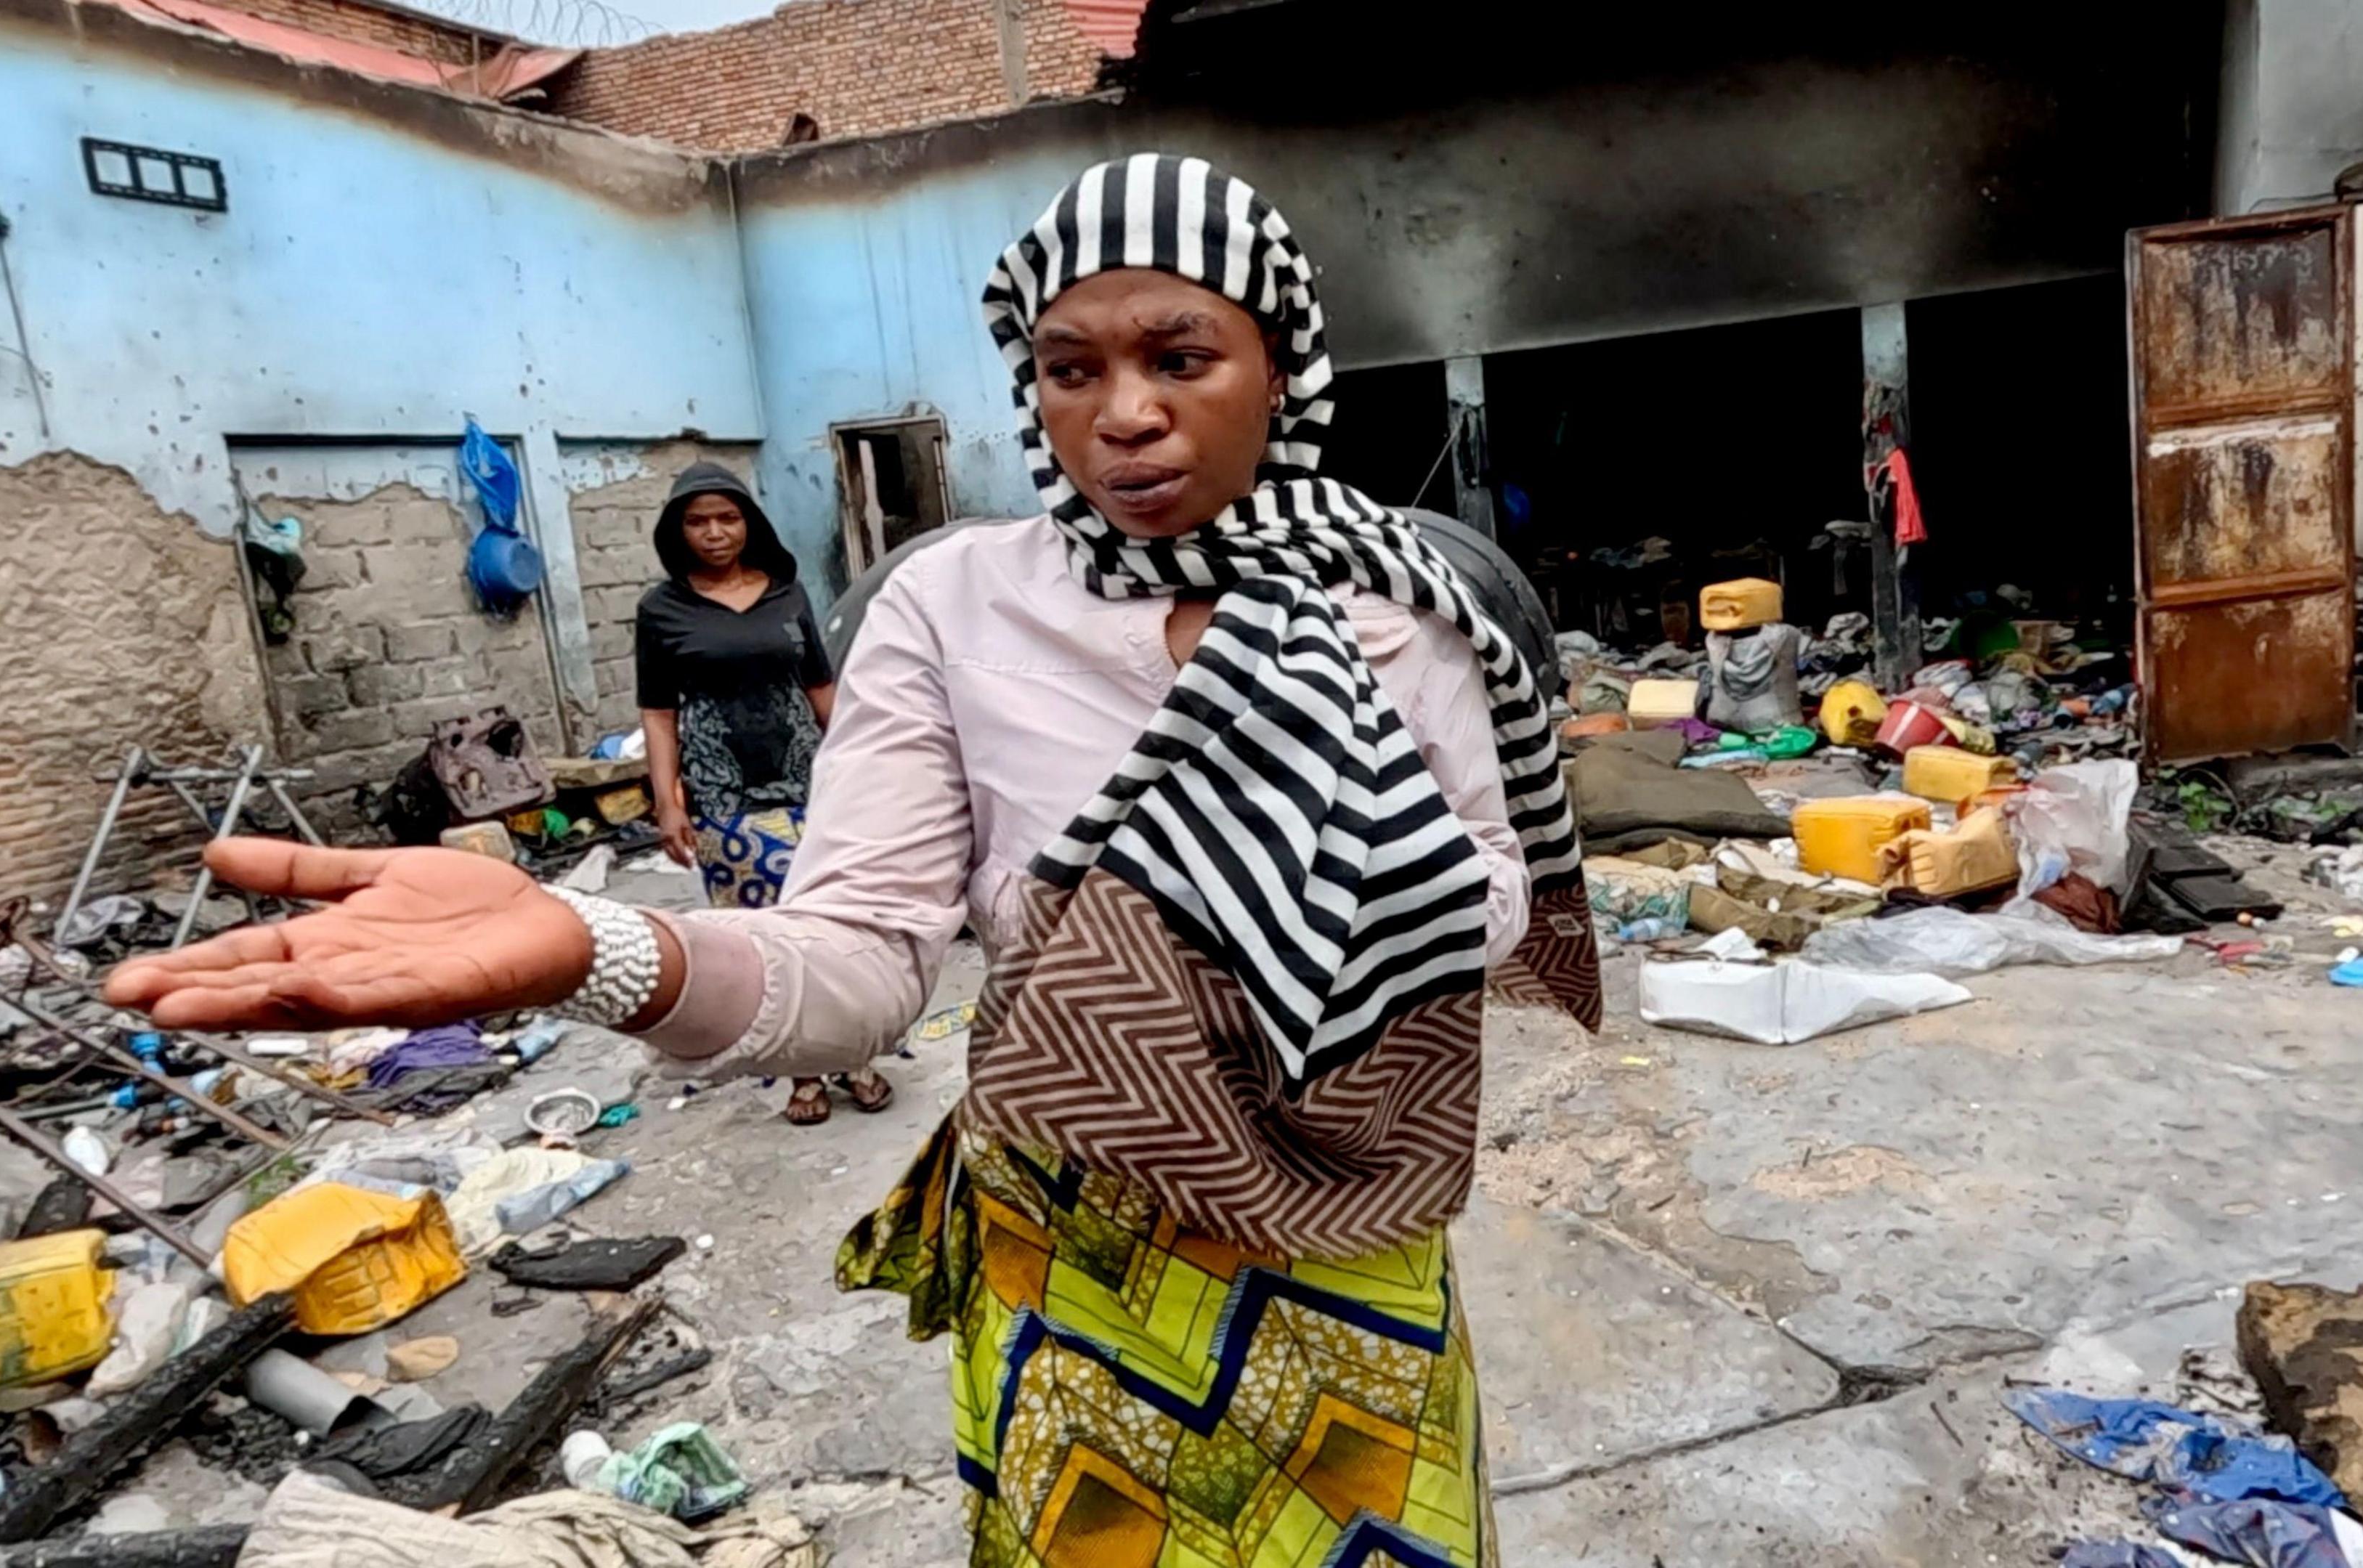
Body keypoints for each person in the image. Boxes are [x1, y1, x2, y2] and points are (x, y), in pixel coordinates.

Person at [108, 155, 1598, 1567]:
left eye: (1180, 355)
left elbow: (1495, 886)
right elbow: (861, 954)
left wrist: (1233, 888)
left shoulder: (1396, 606)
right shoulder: (955, 603)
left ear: (1280, 364)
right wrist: (599, 945)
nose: (1123, 414)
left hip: (1348, 1215)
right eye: (1071, 367)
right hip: (1075, 1232)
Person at [631, 460, 891, 1126]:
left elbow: (821, 689)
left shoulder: (787, 594)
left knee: (834, 918)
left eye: (728, 517)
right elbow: (658, 713)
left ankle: (856, 1052)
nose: (715, 533)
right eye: (698, 521)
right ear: (677, 530)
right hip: (727, 798)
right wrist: (668, 801)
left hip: (811, 784)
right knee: (767, 931)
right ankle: (803, 1070)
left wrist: (872, 763)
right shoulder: (662, 612)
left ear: (750, 523)